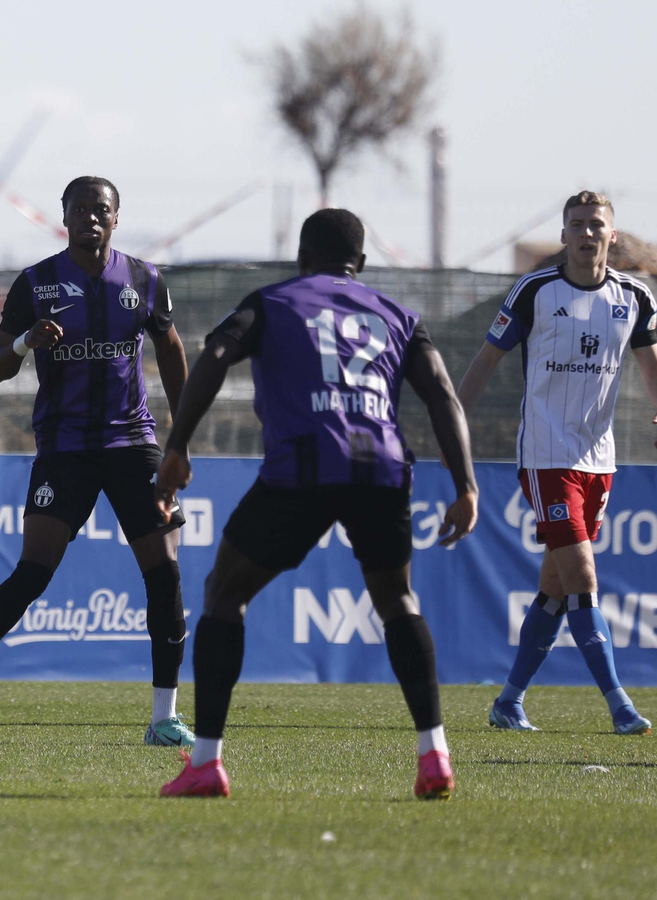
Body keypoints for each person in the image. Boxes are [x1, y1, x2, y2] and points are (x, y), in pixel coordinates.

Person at [154, 208, 478, 800]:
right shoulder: (398, 314)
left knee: (224, 595)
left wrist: (177, 445)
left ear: (302, 258)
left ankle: (206, 763)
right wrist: (466, 486)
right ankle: (434, 755)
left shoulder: (275, 301)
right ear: (361, 262)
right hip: (381, 467)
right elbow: (442, 393)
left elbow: (217, 353)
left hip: (304, 464)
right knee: (398, 600)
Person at [0, 176, 194, 747]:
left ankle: (163, 718)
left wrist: (180, 440)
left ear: (116, 217)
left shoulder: (144, 279)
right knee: (33, 572)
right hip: (65, 447)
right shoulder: (36, 283)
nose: (91, 217)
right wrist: (24, 343)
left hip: (131, 442)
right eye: (80, 208)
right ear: (63, 217)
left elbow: (170, 347)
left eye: (101, 209)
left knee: (164, 575)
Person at [456, 191, 657, 736]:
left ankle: (508, 701)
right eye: (576, 225)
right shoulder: (535, 292)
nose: (586, 233)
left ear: (612, 235)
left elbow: (653, 368)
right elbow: (485, 361)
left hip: (598, 460)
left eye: (595, 224)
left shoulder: (634, 297)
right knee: (583, 575)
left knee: (556, 587)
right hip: (546, 456)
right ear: (563, 235)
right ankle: (620, 706)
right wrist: (452, 424)